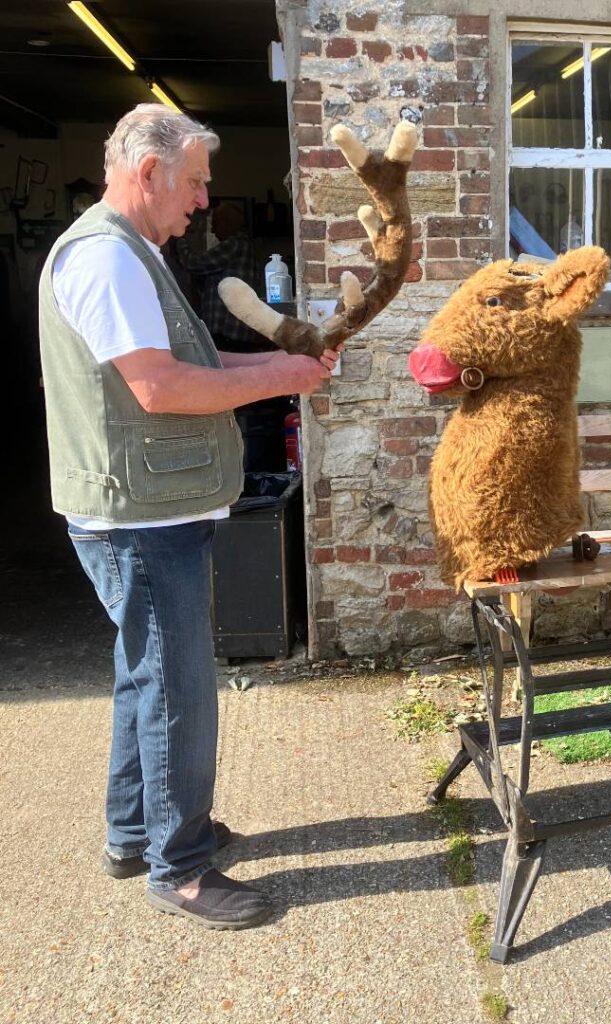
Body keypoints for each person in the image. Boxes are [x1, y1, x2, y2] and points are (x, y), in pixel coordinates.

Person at [37, 103, 338, 931]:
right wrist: (283, 380)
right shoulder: (108, 261)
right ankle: (182, 867)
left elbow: (188, 361)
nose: (206, 199)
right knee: (179, 690)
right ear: (149, 172)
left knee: (146, 675)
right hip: (138, 519)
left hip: (143, 508)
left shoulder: (132, 252)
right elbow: (160, 389)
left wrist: (285, 362)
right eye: (198, 181)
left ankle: (135, 833)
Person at [175, 201, 262, 352]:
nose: (213, 230)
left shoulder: (235, 245)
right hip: (237, 334)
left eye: (215, 223)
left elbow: (194, 263)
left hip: (229, 335)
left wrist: (180, 241)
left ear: (227, 223)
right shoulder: (245, 246)